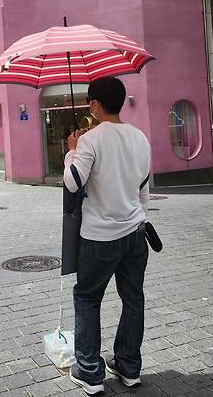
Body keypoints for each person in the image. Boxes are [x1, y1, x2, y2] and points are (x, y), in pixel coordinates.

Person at [63, 77, 150, 394]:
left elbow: (73, 182)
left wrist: (71, 152)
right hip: (135, 233)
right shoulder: (140, 138)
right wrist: (138, 219)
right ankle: (128, 368)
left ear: (95, 105)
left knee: (87, 298)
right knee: (133, 299)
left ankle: (89, 371)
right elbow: (144, 191)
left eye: (90, 102)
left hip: (99, 238)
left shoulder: (89, 140)